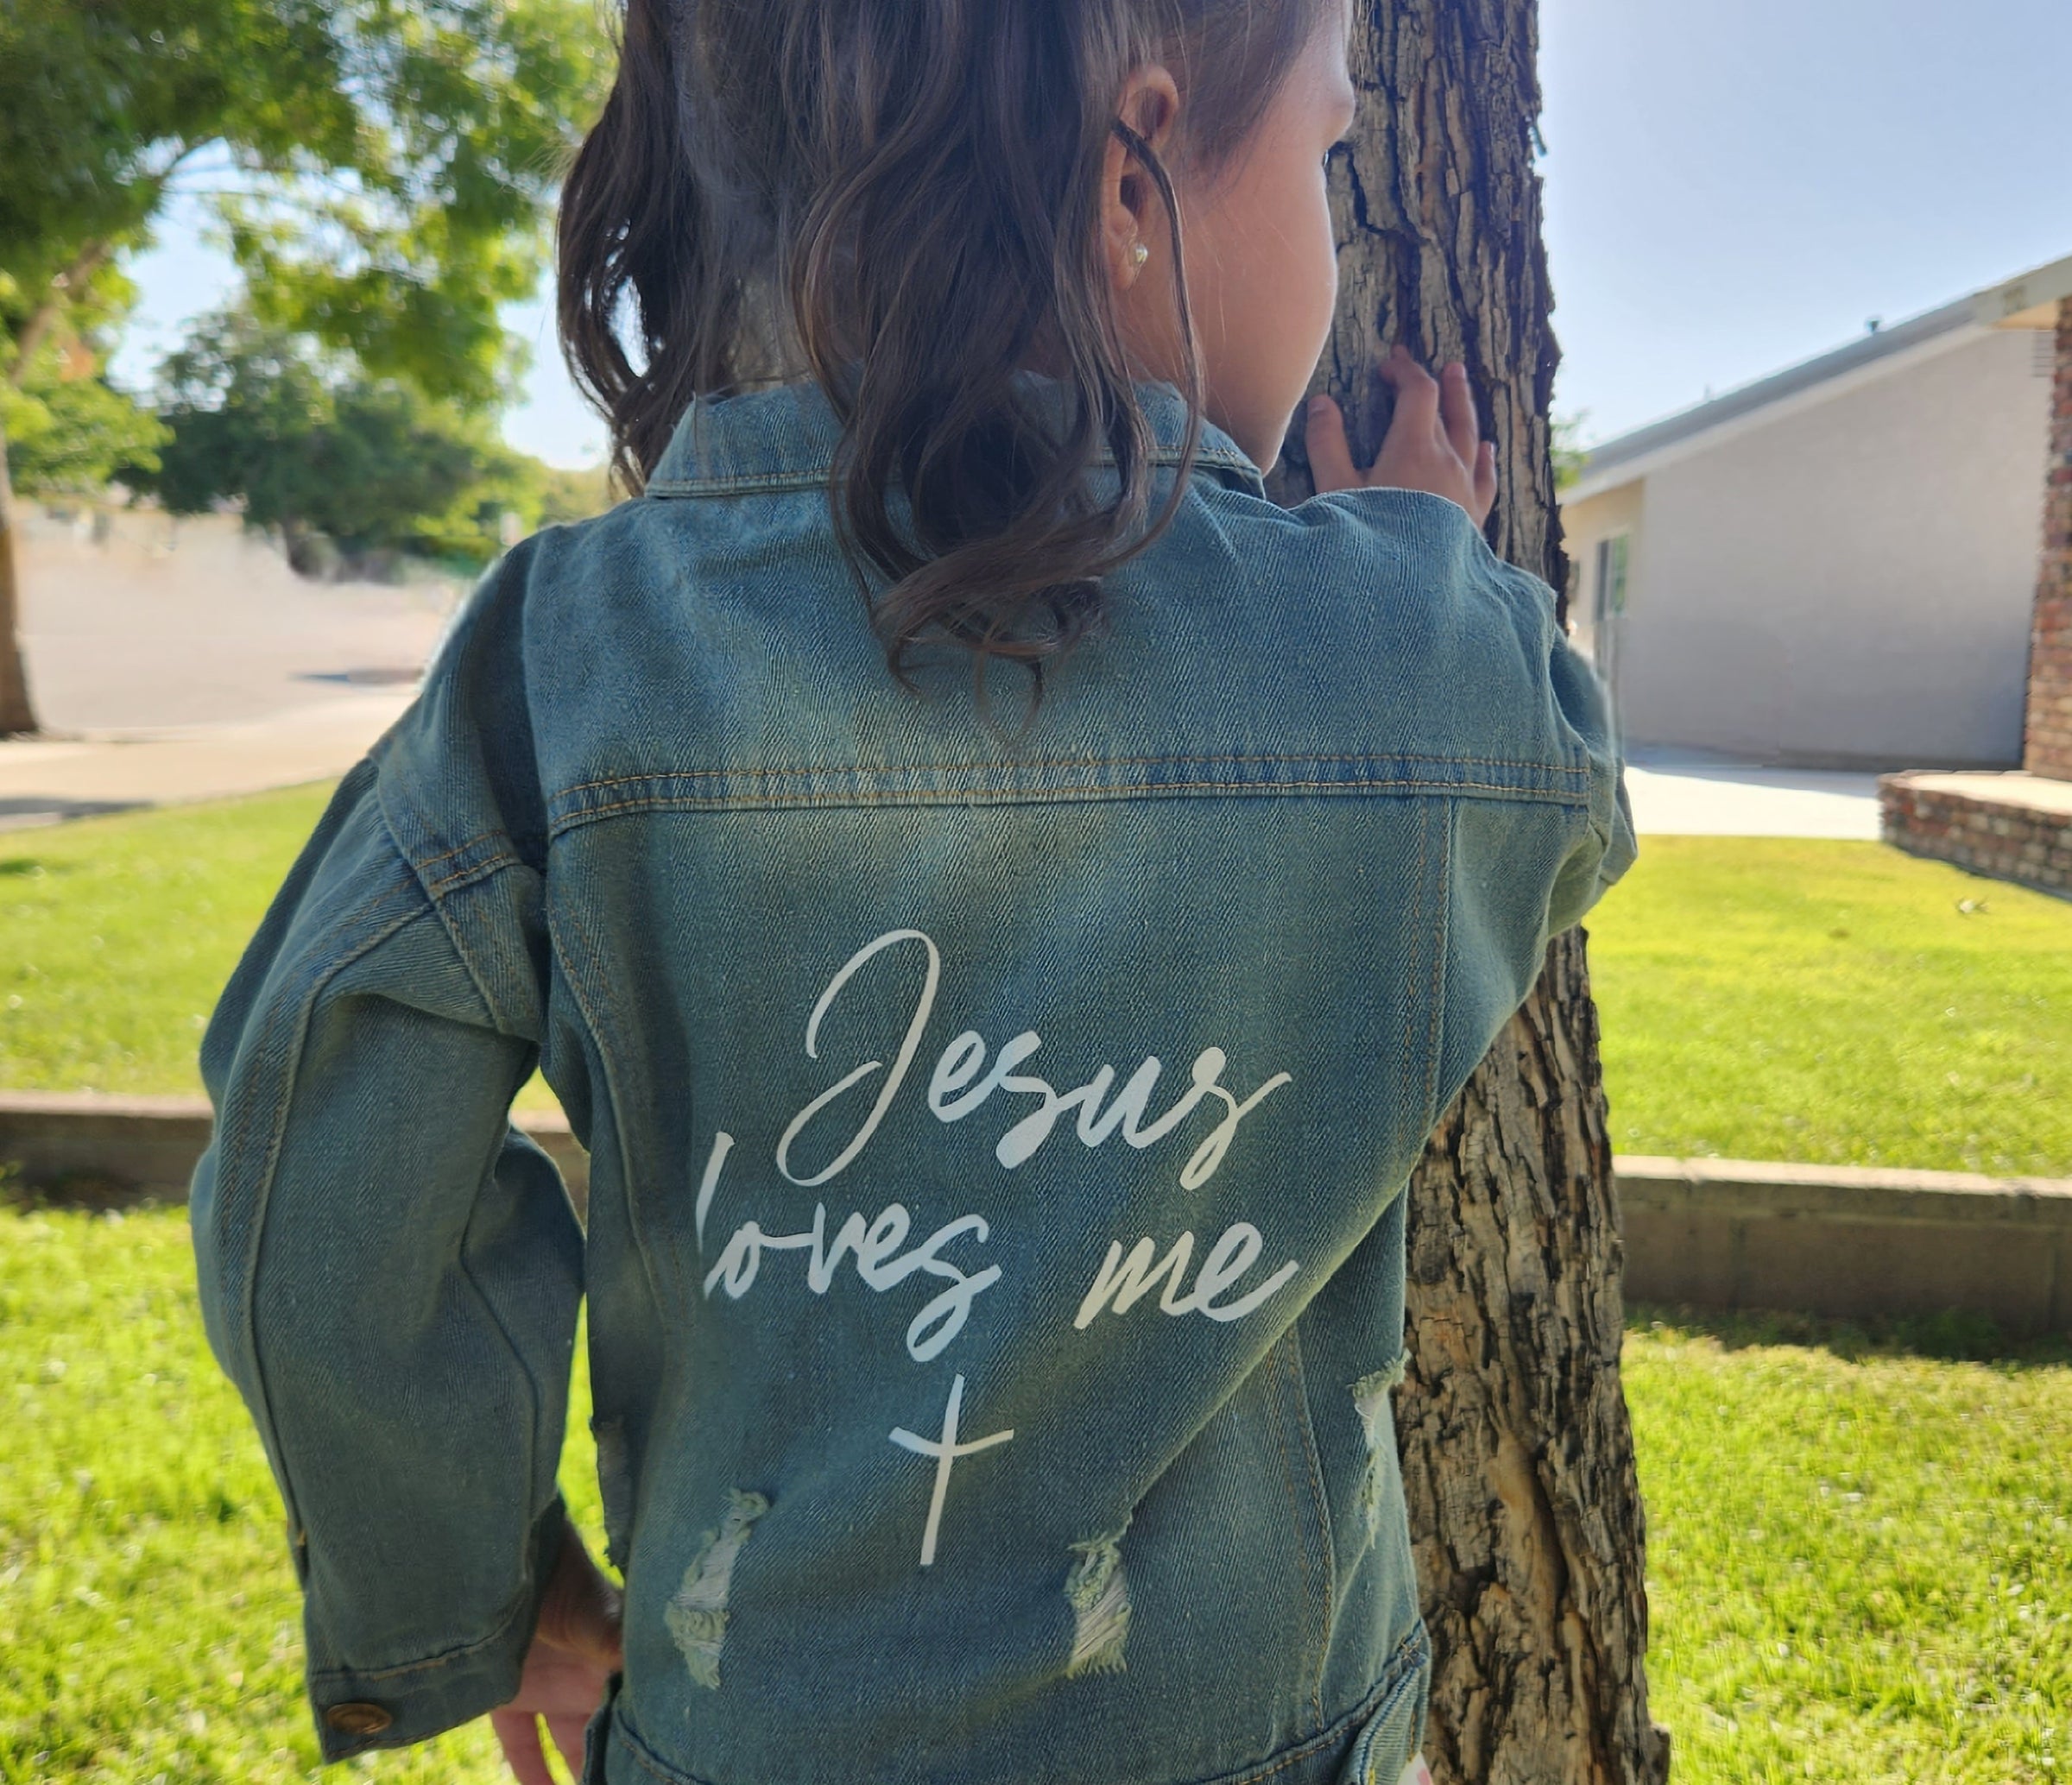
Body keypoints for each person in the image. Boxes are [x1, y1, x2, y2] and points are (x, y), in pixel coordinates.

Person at [188, 0, 1634, 1781]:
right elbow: (1561, 786)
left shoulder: (573, 658)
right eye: (1330, 154)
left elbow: (319, 1126)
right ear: (1131, 176)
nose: (1338, 238)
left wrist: (472, 1588)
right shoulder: (1409, 657)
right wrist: (1418, 559)